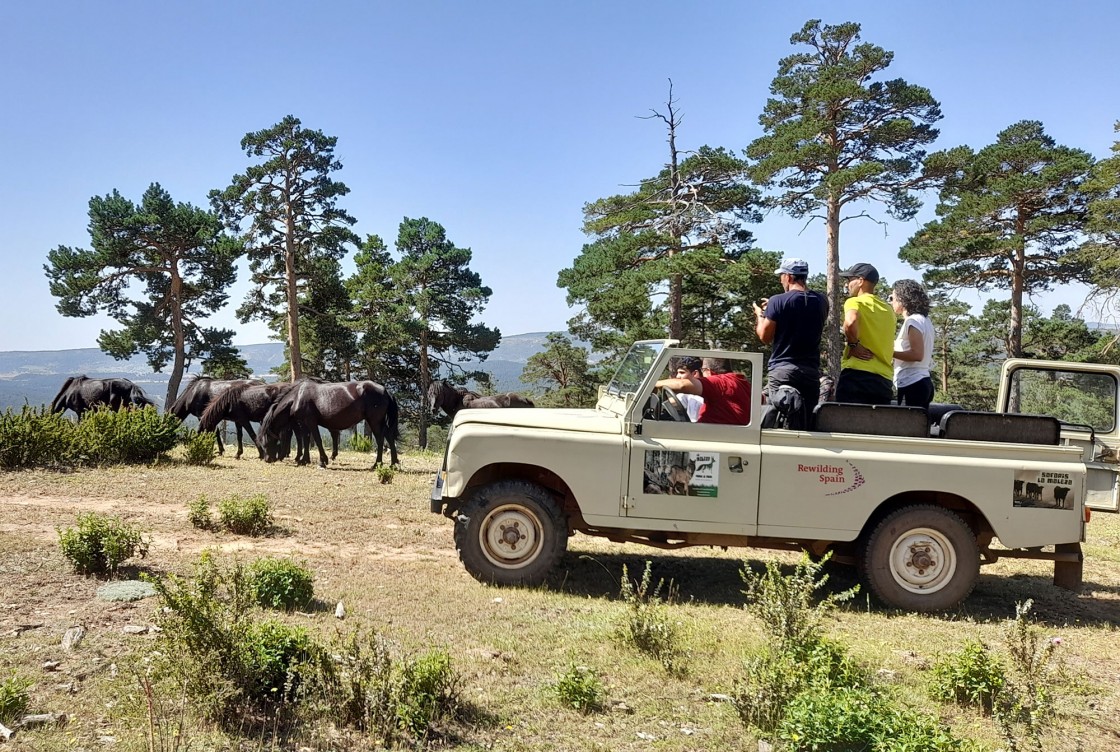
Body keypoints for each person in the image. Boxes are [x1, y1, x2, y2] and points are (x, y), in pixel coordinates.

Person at [753, 257, 828, 424]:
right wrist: (773, 310)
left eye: (781, 276)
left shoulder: (777, 300)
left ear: (788, 277)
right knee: (807, 421)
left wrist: (760, 315)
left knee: (775, 418)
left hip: (783, 370)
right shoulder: (822, 301)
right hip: (810, 372)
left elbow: (764, 337)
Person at [836, 262, 895, 405]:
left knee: (846, 426)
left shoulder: (854, 302)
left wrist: (854, 344)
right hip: (883, 381)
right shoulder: (889, 310)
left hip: (856, 377)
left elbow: (850, 322)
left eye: (850, 280)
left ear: (861, 281)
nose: (847, 284)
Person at [655, 357, 751, 425]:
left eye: (703, 370)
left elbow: (682, 385)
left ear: (708, 370)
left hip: (711, 437)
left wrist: (654, 384)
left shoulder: (717, 382)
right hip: (724, 433)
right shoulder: (742, 381)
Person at [890, 279, 935, 410]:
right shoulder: (925, 321)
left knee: (908, 427)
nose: (891, 301)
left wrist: (887, 352)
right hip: (922, 380)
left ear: (903, 299)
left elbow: (917, 354)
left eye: (892, 297)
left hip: (911, 383)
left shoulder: (912, 321)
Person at [669, 356, 704, 421]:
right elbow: (671, 402)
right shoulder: (689, 395)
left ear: (695, 373)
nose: (677, 376)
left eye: (682, 373)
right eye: (677, 373)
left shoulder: (703, 396)